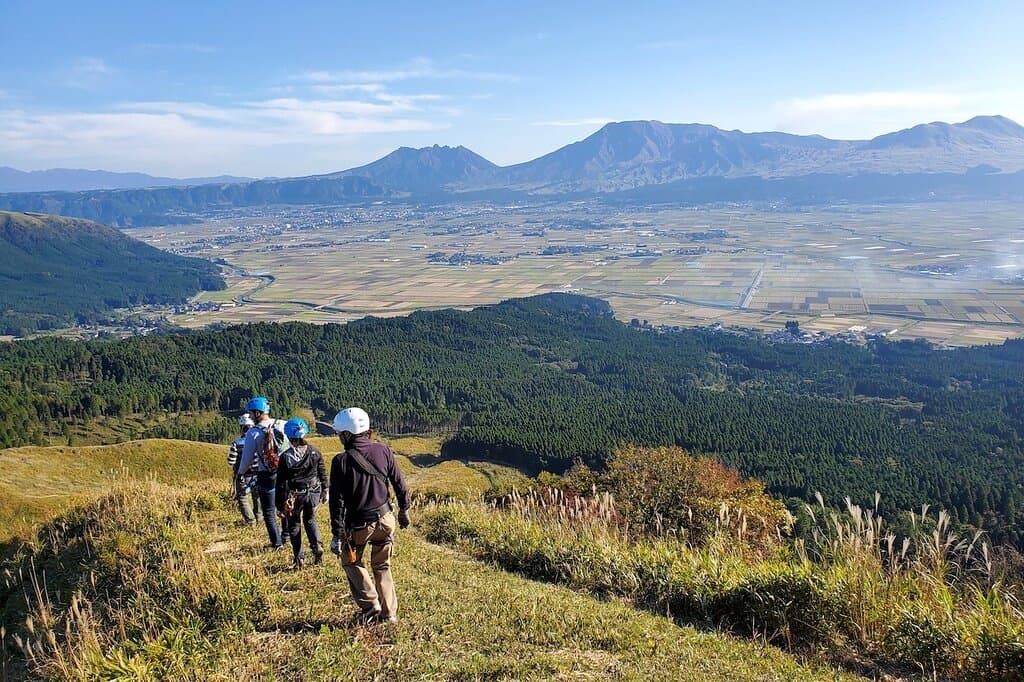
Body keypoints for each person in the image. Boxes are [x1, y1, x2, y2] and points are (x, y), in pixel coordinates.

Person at [329, 407, 410, 624]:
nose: (339, 438)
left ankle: (370, 603)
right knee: (382, 565)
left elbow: (336, 502)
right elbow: (399, 483)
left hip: (359, 525)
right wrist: (404, 509)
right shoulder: (384, 450)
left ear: (347, 434)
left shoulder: (340, 461)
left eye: (340, 434)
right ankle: (389, 613)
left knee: (350, 562)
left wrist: (337, 534)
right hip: (385, 520)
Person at [275, 417, 328, 569]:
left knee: (294, 525)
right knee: (310, 519)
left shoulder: (285, 457)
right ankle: (317, 546)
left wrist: (280, 505)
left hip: (295, 495)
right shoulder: (315, 452)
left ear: (288, 436)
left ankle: (299, 558)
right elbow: (322, 472)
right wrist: (325, 489)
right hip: (313, 493)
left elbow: (281, 483)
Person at [237, 396, 284, 549]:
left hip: (267, 474)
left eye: (251, 413)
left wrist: (240, 474)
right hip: (286, 473)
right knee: (285, 506)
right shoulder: (282, 424)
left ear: (258, 413)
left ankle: (277, 543)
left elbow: (247, 459)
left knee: (269, 511)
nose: (250, 416)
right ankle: (287, 536)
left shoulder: (253, 433)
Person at [228, 414, 261, 526]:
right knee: (257, 496)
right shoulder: (258, 441)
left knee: (242, 497)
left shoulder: (236, 443)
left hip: (242, 475)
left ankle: (251, 521)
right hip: (257, 474)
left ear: (242, 427)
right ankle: (259, 518)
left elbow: (231, 461)